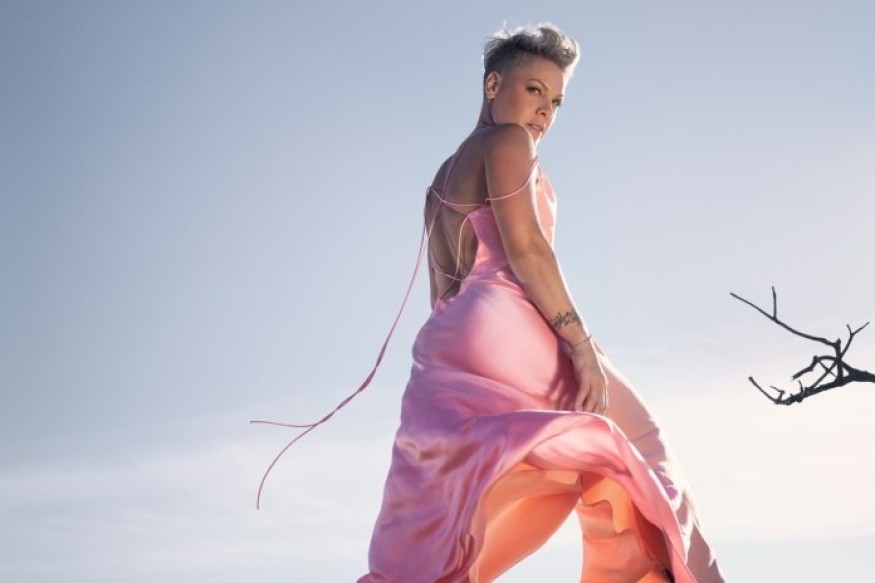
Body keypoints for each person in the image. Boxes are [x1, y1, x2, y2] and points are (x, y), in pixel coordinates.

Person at [257, 23, 725, 583]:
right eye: (534, 90)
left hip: (454, 335)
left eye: (556, 102)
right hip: (514, 320)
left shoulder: (440, 178)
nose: (545, 112)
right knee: (647, 451)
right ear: (493, 85)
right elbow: (526, 249)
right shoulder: (509, 142)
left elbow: (443, 289)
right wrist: (581, 345)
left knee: (464, 490)